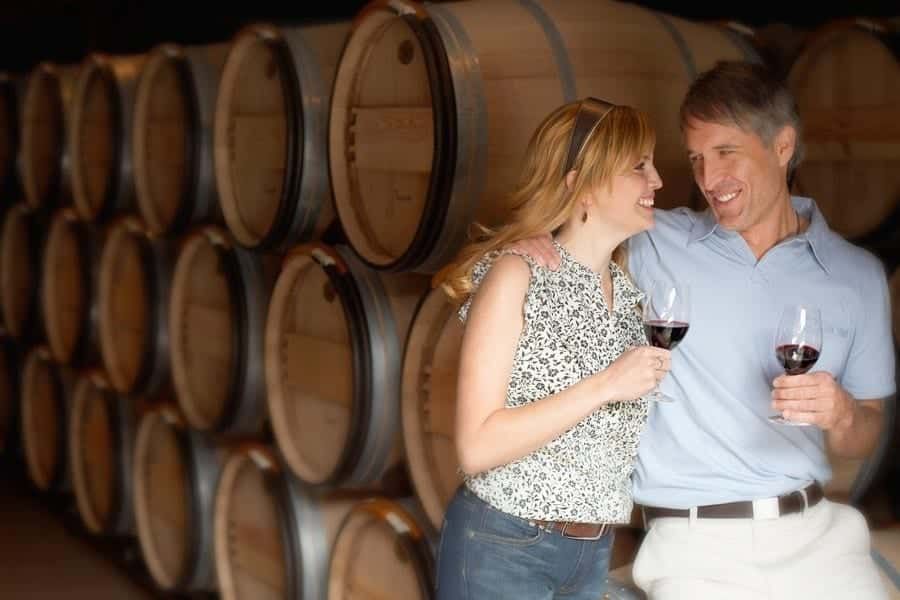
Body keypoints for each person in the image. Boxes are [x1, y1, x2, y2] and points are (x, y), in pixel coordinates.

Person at [513, 61, 895, 599]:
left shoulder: (857, 276)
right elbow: (572, 209)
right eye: (696, 158)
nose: (709, 180)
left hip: (820, 536)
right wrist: (530, 244)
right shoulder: (652, 240)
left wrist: (843, 412)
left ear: (783, 146)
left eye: (726, 153)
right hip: (695, 547)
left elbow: (869, 430)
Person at [431, 97, 669, 599]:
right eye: (638, 167)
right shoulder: (517, 275)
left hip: (591, 552)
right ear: (581, 184)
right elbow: (476, 447)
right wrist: (606, 385)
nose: (658, 182)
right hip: (503, 544)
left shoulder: (628, 297)